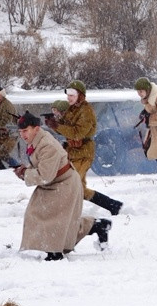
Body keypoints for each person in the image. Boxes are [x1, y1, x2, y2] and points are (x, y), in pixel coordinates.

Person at [14, 112, 111, 261]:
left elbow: (45, 175)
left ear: (36, 128)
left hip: (64, 185)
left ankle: (54, 252)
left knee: (54, 219)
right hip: (55, 183)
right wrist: (25, 170)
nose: (23, 135)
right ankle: (98, 226)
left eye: (25, 130)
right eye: (20, 132)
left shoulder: (47, 145)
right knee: (61, 222)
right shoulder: (37, 140)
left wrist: (25, 173)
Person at [45, 80, 123, 215]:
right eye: (67, 94)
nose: (69, 98)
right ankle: (113, 205)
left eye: (72, 95)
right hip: (73, 152)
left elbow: (77, 133)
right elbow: (65, 129)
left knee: (71, 184)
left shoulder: (86, 111)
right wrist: (54, 123)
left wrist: (57, 126)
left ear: (80, 95)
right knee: (79, 188)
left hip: (83, 153)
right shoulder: (72, 109)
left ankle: (65, 213)